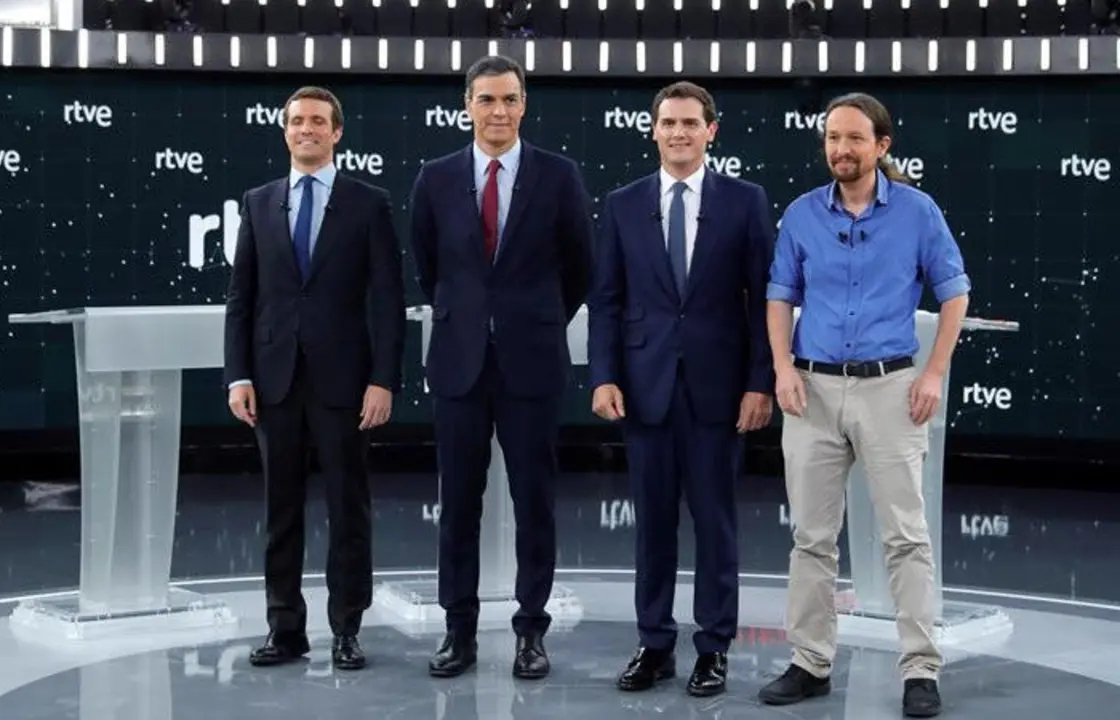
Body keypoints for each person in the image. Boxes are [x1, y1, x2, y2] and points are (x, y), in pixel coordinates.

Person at [758, 92, 969, 718]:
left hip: (889, 389)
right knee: (811, 538)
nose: (841, 150)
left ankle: (920, 670)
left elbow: (954, 293)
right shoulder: (801, 215)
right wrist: (780, 367)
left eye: (854, 139)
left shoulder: (917, 212)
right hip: (813, 390)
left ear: (882, 145)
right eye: (832, 138)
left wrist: (934, 372)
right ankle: (810, 662)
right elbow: (779, 296)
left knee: (906, 536)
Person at [408, 54, 594, 680]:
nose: (499, 112)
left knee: (534, 501)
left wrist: (534, 320)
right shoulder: (435, 178)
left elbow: (580, 268)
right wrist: (471, 319)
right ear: (467, 105)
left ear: (524, 105)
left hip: (532, 365)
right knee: (459, 504)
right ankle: (457, 631)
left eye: (510, 100)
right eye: (487, 100)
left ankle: (530, 633)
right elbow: (431, 267)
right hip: (459, 366)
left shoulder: (559, 176)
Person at [587, 81, 775, 696]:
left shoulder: (746, 202)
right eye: (668, 122)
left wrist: (759, 383)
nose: (678, 133)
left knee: (716, 524)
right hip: (645, 389)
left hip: (719, 394)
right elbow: (608, 301)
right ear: (653, 130)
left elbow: (764, 305)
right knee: (653, 527)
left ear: (711, 130)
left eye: (690, 123)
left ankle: (714, 647)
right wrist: (605, 375)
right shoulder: (621, 203)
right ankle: (654, 643)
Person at [223, 85, 407, 672]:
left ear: (337, 132)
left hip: (345, 385)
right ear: (285, 131)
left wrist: (383, 380)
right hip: (273, 382)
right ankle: (285, 629)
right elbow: (241, 299)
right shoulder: (257, 202)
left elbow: (387, 301)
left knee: (348, 509)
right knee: (281, 511)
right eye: (297, 120)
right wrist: (237, 376)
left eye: (318, 121)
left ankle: (347, 629)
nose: (307, 129)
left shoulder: (367, 202)